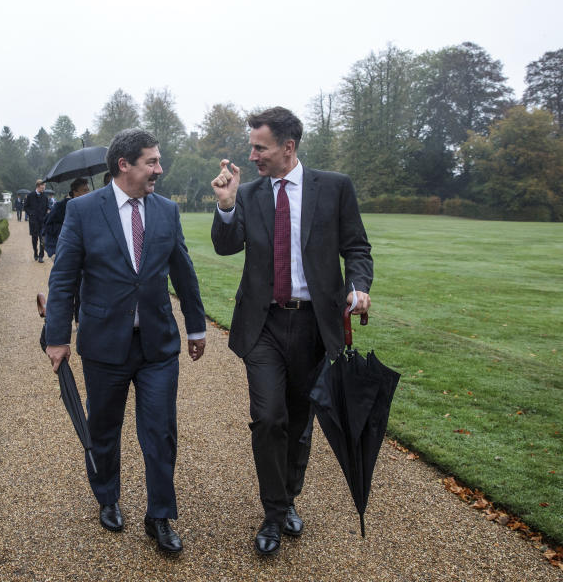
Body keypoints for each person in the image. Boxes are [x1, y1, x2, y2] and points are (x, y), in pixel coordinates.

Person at [209, 107, 373, 556]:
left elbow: (357, 247)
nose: (252, 154)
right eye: (252, 146)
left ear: (288, 147)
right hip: (262, 324)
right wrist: (226, 205)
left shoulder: (334, 188)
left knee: (300, 422)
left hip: (314, 325)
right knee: (268, 418)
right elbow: (225, 247)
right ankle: (273, 513)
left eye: (259, 147)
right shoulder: (249, 193)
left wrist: (357, 287)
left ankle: (287, 500)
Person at [45, 128, 207, 555]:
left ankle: (160, 515)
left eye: (157, 161)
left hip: (157, 345)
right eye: (151, 162)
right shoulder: (82, 211)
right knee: (104, 429)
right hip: (104, 345)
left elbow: (184, 273)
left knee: (160, 432)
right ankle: (108, 497)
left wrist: (196, 326)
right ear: (124, 165)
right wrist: (58, 337)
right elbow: (62, 279)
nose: (159, 169)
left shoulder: (167, 211)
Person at [43, 177, 90, 259]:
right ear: (75, 192)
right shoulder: (61, 206)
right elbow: (48, 226)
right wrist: (67, 229)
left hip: (84, 251)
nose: (88, 193)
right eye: (84, 190)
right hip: (63, 251)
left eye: (88, 190)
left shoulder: (90, 207)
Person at [24, 179, 49, 262]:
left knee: (43, 239)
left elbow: (47, 207)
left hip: (42, 222)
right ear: (38, 186)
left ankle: (41, 256)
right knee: (34, 239)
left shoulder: (45, 196)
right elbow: (26, 206)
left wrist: (48, 212)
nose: (44, 188)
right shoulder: (30, 195)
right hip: (34, 222)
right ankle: (35, 252)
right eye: (43, 186)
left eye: (44, 186)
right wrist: (30, 214)